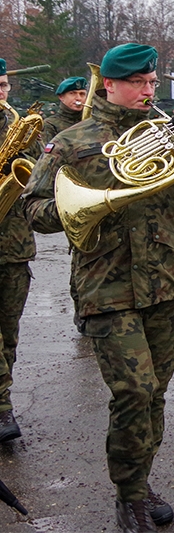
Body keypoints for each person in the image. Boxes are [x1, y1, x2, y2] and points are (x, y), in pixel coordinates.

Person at [23, 43, 174, 532]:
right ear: (110, 84)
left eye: (152, 81)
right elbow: (35, 210)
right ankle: (129, 494)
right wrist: (94, 206)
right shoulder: (72, 143)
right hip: (106, 290)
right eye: (138, 82)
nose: (148, 90)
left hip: (163, 284)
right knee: (133, 392)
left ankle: (141, 478)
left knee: (155, 395)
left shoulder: (169, 133)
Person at [0, 57, 42, 444]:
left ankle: (3, 397)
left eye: (3, 87)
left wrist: (23, 159)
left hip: (12, 245)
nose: (1, 94)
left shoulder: (15, 125)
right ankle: (1, 409)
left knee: (8, 332)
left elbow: (37, 176)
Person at [42, 76, 87, 144]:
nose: (78, 98)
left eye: (82, 94)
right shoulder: (50, 124)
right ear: (61, 97)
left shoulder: (91, 121)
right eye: (72, 93)